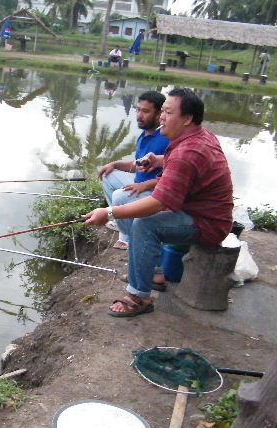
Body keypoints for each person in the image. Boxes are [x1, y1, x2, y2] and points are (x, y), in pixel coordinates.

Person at [84, 87, 233, 317]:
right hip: (195, 210)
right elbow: (178, 163)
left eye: (168, 112)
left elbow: (158, 203)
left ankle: (139, 297)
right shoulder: (199, 136)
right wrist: (159, 160)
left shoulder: (189, 151)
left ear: (187, 118)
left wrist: (109, 212)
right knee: (140, 217)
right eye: (162, 111)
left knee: (146, 224)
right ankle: (148, 274)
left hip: (208, 222)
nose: (162, 117)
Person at [98, 91, 170, 251]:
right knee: (108, 175)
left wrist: (145, 185)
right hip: (140, 183)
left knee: (119, 195)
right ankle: (120, 220)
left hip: (156, 191)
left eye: (146, 111)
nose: (139, 115)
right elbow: (138, 164)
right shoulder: (145, 134)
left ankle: (129, 238)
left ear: (159, 114)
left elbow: (174, 176)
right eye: (138, 110)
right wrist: (115, 164)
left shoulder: (166, 138)